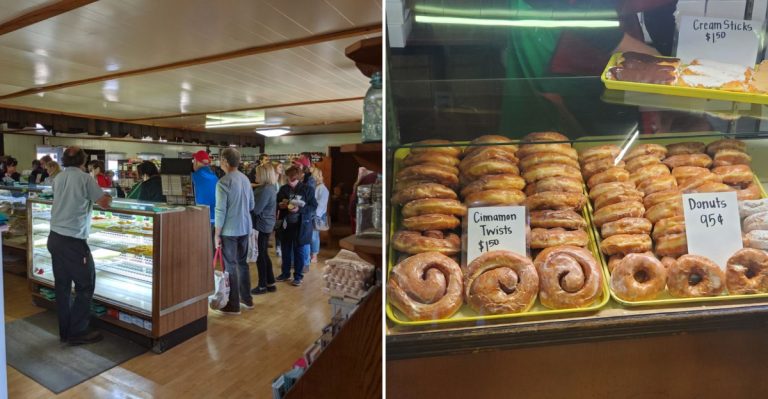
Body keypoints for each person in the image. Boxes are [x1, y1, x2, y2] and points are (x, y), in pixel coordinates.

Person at [47, 146, 112, 345]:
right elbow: (104, 203)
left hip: (55, 237)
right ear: (83, 162)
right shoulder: (85, 179)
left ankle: (65, 331)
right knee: (85, 285)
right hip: (74, 241)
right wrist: (109, 195)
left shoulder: (58, 178)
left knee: (63, 286)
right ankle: (77, 331)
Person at [214, 148, 255, 315]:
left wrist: (216, 234)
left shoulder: (223, 182)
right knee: (242, 264)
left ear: (224, 161)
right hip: (245, 227)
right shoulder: (245, 179)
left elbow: (220, 211)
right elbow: (252, 205)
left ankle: (233, 305)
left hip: (230, 230)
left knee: (230, 266)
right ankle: (247, 299)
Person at [276, 165, 317, 286]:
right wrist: (281, 205)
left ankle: (298, 276)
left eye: (292, 179)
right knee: (286, 250)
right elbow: (278, 203)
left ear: (298, 177)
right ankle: (285, 273)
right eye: (288, 179)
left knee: (299, 251)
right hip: (286, 224)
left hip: (301, 225)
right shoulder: (283, 189)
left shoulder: (307, 189)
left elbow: (313, 206)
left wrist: (299, 209)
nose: (290, 182)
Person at [250, 164, 277, 295]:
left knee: (261, 255)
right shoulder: (269, 187)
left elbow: (256, 209)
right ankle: (270, 283)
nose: (255, 175)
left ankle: (262, 286)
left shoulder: (265, 189)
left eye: (257, 173)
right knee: (264, 254)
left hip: (262, 225)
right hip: (267, 224)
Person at [192, 150, 218, 246]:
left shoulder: (195, 176)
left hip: (201, 217)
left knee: (202, 247)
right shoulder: (214, 176)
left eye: (194, 160)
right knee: (210, 246)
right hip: (214, 217)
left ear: (197, 162)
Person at [310, 167, 329, 264]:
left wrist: (315, 215)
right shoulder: (315, 187)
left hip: (316, 215)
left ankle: (314, 255)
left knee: (314, 236)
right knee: (311, 235)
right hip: (311, 214)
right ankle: (311, 254)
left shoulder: (322, 188)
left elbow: (321, 205)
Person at [272, 162, 286, 258]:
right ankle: (277, 247)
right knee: (275, 228)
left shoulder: (282, 180)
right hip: (272, 208)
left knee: (280, 228)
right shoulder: (272, 181)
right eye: (279, 167)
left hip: (281, 208)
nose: (281, 168)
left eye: (282, 167)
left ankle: (279, 247)